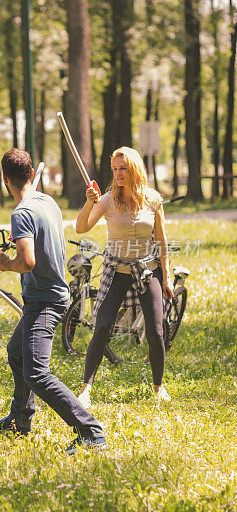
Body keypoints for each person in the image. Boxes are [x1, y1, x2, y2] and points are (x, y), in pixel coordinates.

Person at [0, 149, 108, 455]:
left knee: (37, 374)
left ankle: (90, 431)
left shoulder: (22, 213)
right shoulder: (46, 201)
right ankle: (20, 418)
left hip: (44, 299)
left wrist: (4, 262)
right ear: (31, 174)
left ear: (5, 179)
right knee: (16, 352)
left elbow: (26, 261)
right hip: (52, 294)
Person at [76, 147, 173, 409]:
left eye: (123, 168)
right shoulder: (106, 200)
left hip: (146, 271)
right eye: (115, 169)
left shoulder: (153, 199)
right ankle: (86, 388)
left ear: (135, 169)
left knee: (155, 330)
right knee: (103, 325)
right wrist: (89, 202)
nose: (118, 174)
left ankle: (158, 386)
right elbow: (81, 227)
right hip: (117, 272)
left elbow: (162, 241)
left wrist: (167, 276)